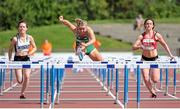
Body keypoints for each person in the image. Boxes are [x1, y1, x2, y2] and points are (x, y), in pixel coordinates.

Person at [132, 18, 174, 98]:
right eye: (147, 23)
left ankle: (153, 74)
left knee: (155, 79)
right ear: (144, 25)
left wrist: (170, 55)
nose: (148, 25)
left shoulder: (156, 35)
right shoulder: (142, 36)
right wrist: (140, 46)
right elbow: (133, 47)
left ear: (153, 26)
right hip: (144, 59)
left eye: (150, 24)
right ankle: (152, 92)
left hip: (154, 59)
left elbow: (164, 44)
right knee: (145, 77)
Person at [8, 20, 37, 99]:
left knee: (27, 76)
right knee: (20, 81)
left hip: (26, 58)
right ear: (18, 28)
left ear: (26, 28)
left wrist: (29, 53)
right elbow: (10, 50)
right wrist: (10, 60)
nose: (22, 28)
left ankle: (22, 93)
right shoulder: (15, 39)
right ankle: (22, 78)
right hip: (17, 59)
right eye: (20, 27)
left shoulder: (30, 37)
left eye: (23, 27)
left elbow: (35, 47)